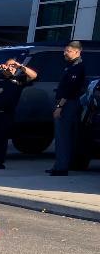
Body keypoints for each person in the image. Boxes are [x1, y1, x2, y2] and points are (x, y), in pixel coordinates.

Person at [0, 58, 37, 169]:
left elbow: (33, 76)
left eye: (13, 67)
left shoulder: (18, 80)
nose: (11, 68)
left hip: (7, 114)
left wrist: (21, 66)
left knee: (3, 139)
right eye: (9, 65)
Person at [48, 40, 88, 176]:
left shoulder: (77, 67)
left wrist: (59, 106)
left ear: (77, 51)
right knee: (62, 136)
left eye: (68, 51)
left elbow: (70, 89)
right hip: (67, 103)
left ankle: (61, 167)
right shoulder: (70, 66)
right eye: (65, 50)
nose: (65, 53)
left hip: (68, 104)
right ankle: (59, 164)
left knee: (63, 136)